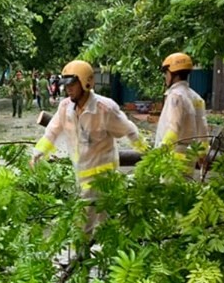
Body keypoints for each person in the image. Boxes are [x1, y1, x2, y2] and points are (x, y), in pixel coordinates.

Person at [30, 59, 147, 197]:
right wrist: (37, 154)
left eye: (72, 85)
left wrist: (146, 153)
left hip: (104, 181)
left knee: (98, 217)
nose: (68, 89)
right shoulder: (65, 107)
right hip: (80, 177)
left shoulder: (104, 109)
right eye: (66, 85)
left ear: (86, 82)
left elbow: (129, 130)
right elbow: (52, 132)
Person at [155, 53, 209, 149]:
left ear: (174, 74)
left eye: (166, 73)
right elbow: (203, 129)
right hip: (190, 156)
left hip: (172, 157)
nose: (165, 77)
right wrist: (202, 153)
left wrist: (161, 151)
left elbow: (173, 126)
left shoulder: (176, 96)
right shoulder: (197, 98)